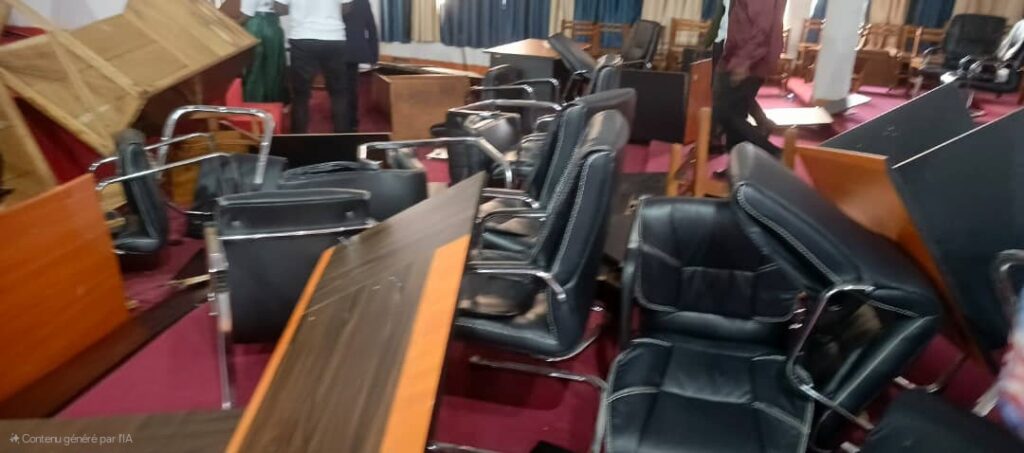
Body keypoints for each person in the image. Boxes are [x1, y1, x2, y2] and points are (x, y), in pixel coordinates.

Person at [712, 0, 785, 157]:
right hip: (737, 56)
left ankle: (773, 152)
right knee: (733, 115)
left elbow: (762, 29)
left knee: (725, 112)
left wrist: (743, 62)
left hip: (750, 60)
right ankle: (738, 163)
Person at [275, 0, 354, 133]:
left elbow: (279, 8)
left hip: (302, 37)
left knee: (300, 96)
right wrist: (327, 13)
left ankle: (298, 139)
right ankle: (343, 138)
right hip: (334, 37)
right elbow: (347, 7)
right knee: (339, 93)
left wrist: (300, 10)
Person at [340, 0, 379, 132]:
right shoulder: (363, 2)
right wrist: (374, 55)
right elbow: (371, 28)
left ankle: (340, 120)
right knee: (352, 87)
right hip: (354, 49)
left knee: (337, 88)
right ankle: (352, 122)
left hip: (335, 48)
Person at [239, 0, 288, 103]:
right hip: (273, 25)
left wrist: (230, 25)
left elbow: (247, 14)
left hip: (256, 25)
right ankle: (272, 101)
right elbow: (283, 9)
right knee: (272, 66)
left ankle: (254, 101)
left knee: (255, 68)